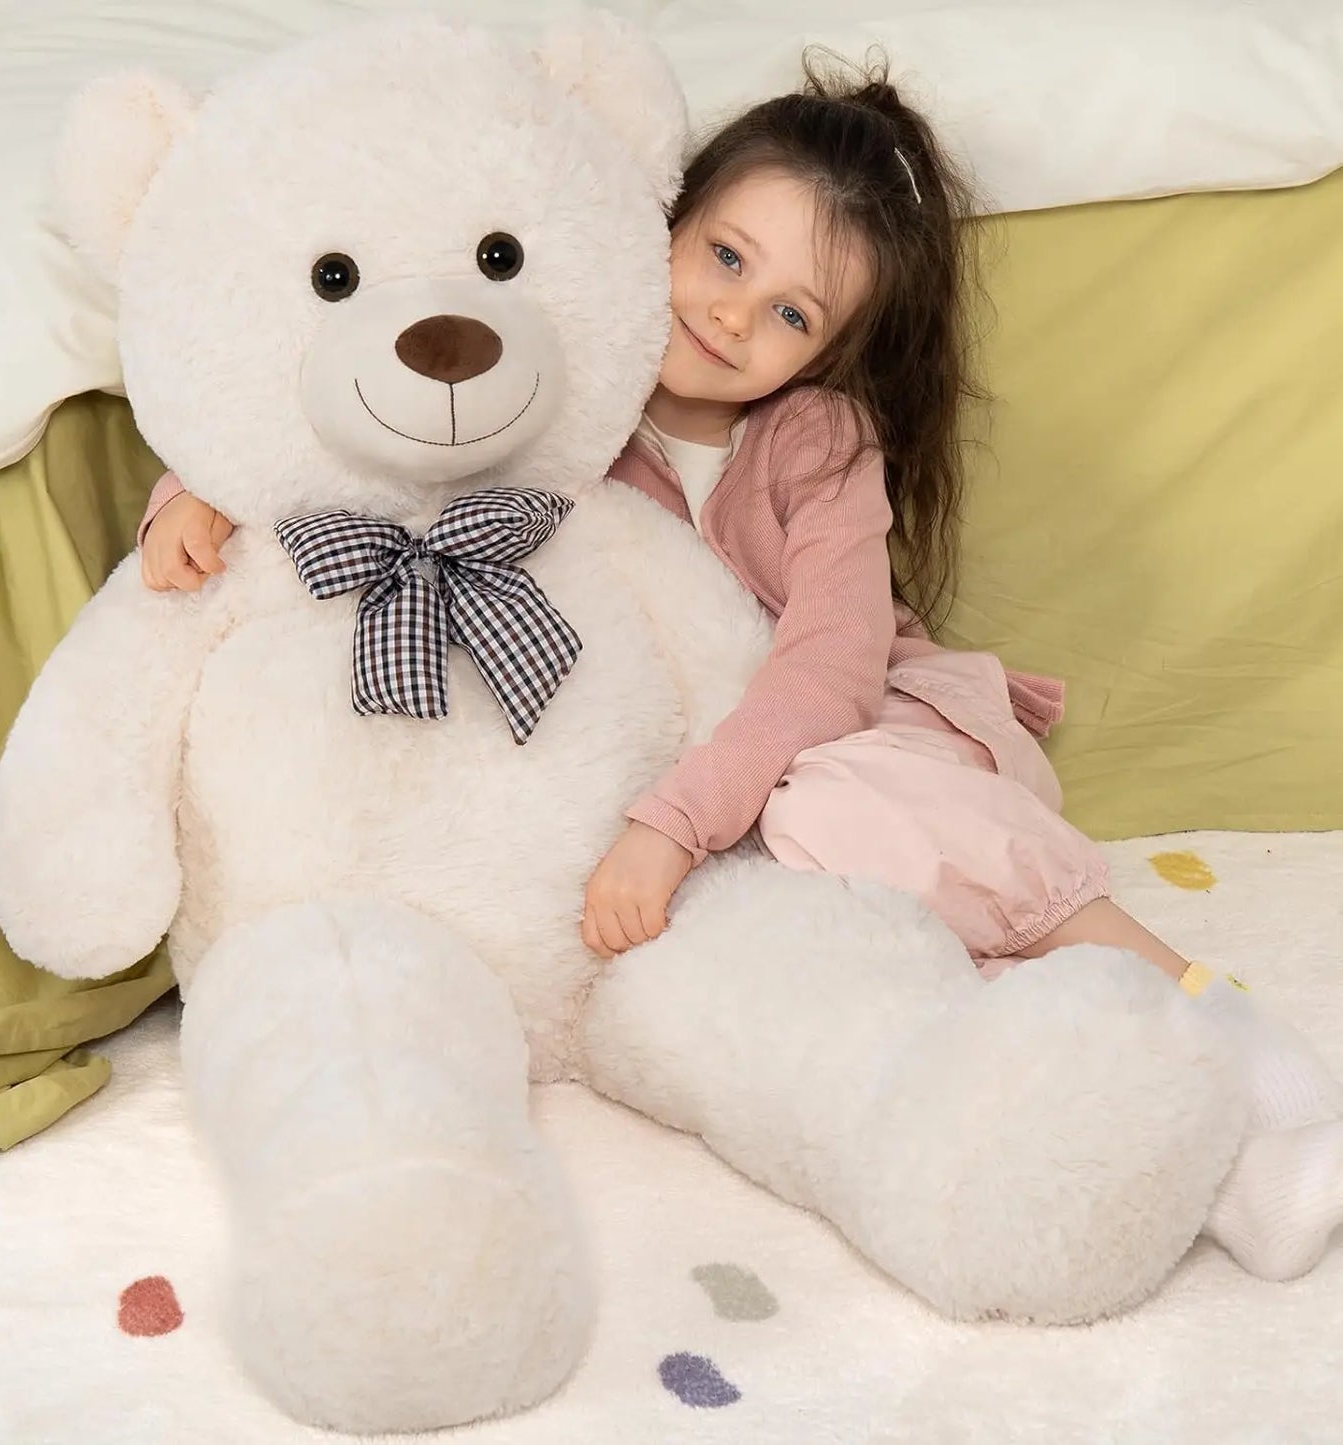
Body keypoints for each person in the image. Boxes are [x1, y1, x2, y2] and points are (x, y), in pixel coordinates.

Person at [134, 56, 1343, 1281]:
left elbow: (827, 673)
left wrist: (672, 822)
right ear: (657, 225)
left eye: (791, 314)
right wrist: (203, 490)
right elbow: (370, 440)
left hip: (855, 742)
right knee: (872, 969)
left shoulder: (817, 445)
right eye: (723, 258)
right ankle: (1239, 1178)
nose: (732, 317)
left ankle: (1210, 1012)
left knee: (843, 814)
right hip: (732, 811)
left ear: (826, 354)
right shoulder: (566, 404)